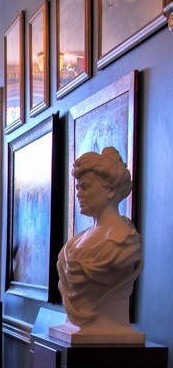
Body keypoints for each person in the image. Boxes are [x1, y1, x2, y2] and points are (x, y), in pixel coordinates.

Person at [51, 146, 144, 344]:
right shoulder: (77, 241)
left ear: (110, 190)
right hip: (74, 331)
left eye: (85, 187)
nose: (78, 194)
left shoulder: (123, 241)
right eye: (77, 187)